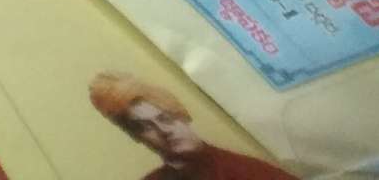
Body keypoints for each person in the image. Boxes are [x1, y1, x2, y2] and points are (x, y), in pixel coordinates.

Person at [87, 74, 288, 179]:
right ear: (136, 137)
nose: (164, 130)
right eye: (147, 127)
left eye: (166, 118)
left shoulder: (248, 172)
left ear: (182, 116)